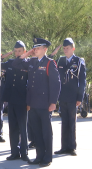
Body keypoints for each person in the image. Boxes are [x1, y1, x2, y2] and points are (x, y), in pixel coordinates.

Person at [13, 38, 61, 167]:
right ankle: (39, 156)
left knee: (46, 132)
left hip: (45, 104)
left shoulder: (49, 63)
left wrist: (53, 102)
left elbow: (55, 84)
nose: (35, 50)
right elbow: (16, 64)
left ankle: (47, 157)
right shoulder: (32, 61)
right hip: (33, 103)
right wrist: (27, 54)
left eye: (38, 48)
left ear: (45, 49)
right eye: (34, 48)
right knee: (36, 132)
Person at [54, 38, 86, 156]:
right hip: (62, 96)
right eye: (64, 48)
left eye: (67, 48)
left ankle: (71, 147)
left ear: (73, 48)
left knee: (72, 122)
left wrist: (80, 97)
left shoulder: (78, 61)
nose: (65, 50)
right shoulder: (60, 60)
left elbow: (82, 81)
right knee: (64, 121)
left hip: (73, 96)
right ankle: (64, 146)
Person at [1, 40, 29, 161]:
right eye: (16, 51)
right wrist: (1, 57)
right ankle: (14, 152)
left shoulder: (28, 64)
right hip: (11, 99)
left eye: (20, 51)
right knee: (13, 127)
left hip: (22, 100)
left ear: (24, 52)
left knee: (23, 128)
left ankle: (24, 152)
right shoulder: (11, 62)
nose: (17, 53)